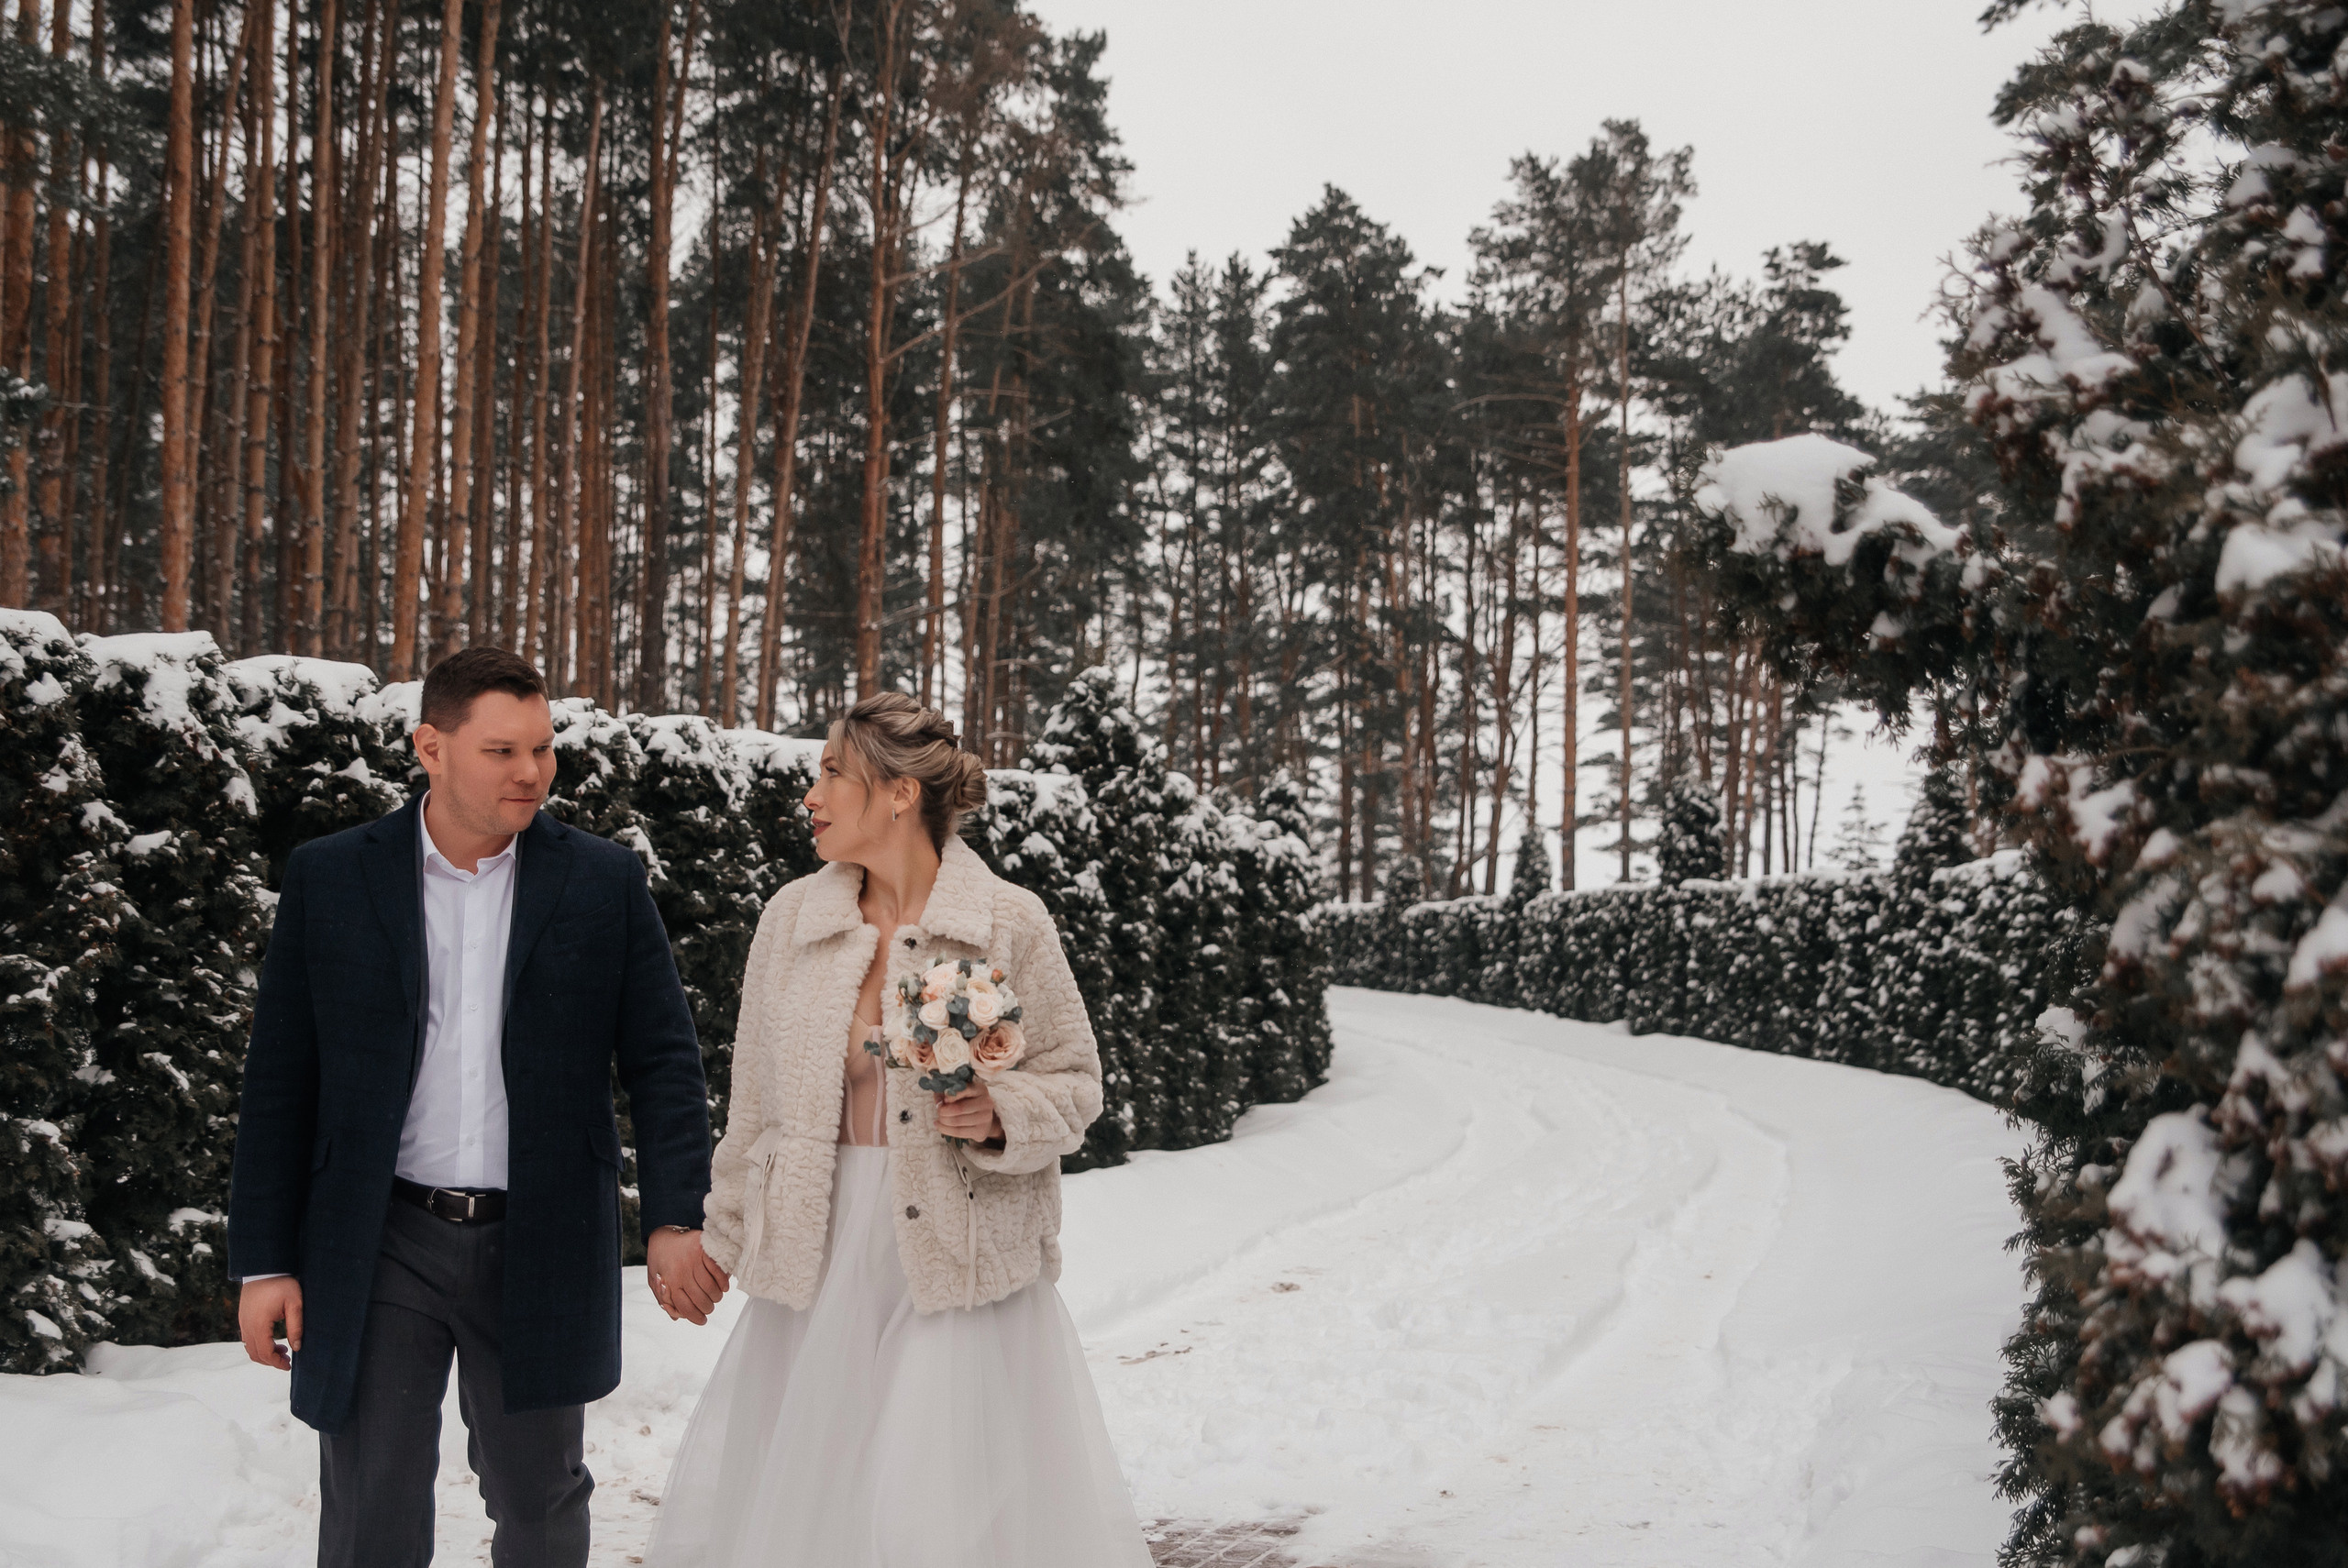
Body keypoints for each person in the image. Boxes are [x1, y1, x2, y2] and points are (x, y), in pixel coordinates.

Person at [227, 646, 725, 1568]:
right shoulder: (332, 877)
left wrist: (673, 1217)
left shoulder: (601, 882)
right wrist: (264, 1260)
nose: (531, 772)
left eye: (543, 748)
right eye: (502, 751)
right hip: (380, 1238)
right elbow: (281, 1075)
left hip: (540, 1238)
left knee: (539, 1501)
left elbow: (662, 1062)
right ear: (431, 746)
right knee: (371, 1497)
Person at [651, 691, 1151, 1568]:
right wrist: (722, 1238)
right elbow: (755, 1108)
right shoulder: (791, 922)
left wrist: (1003, 1114)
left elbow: (1077, 1083)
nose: (809, 794)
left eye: (831, 771)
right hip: (820, 1259)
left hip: (958, 1260)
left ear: (898, 794)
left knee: (934, 1518)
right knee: (821, 1515)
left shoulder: (1010, 921)